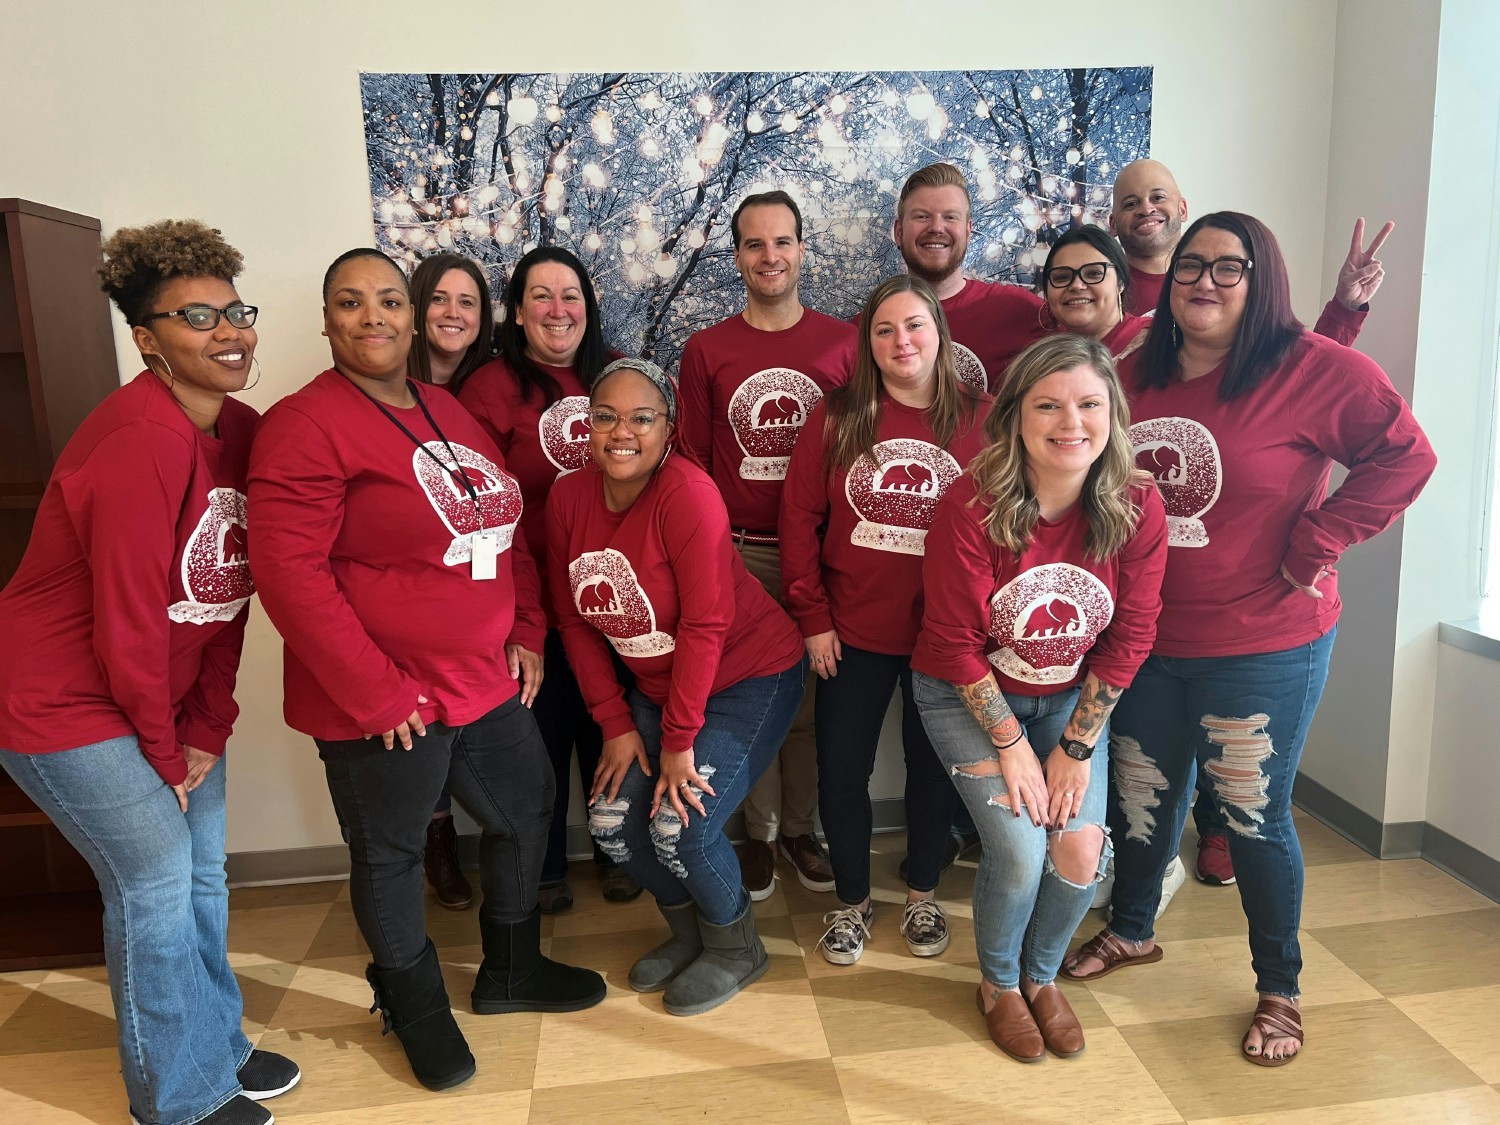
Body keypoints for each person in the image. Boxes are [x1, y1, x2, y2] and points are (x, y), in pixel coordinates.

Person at [1061, 213, 1436, 1068]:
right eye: (1191, 265)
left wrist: (1322, 538)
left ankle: (1281, 985)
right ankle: (1131, 929)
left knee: (1253, 817)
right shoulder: (1127, 367)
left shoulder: (1316, 370)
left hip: (1263, 639)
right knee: (1142, 794)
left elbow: (1406, 456)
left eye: (1228, 268)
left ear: (1261, 278)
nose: (1204, 281)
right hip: (1148, 638)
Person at [247, 247, 604, 1092]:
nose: (372, 316)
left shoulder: (447, 407)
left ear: (409, 318)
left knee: (527, 808)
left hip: (479, 675)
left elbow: (503, 522)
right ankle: (413, 1006)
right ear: (327, 320)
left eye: (386, 301)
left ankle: (511, 972)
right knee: (391, 853)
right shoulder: (304, 423)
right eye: (349, 302)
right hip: (386, 696)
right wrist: (373, 689)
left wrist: (525, 625)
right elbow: (289, 574)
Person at [0, 220, 297, 1125]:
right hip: (60, 700)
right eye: (196, 316)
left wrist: (207, 725)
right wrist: (168, 752)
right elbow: (130, 621)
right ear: (146, 339)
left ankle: (218, 1043)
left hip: (156, 700)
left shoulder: (240, 431)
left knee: (204, 874)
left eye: (234, 310)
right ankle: (178, 1096)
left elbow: (225, 593)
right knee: (156, 884)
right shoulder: (140, 440)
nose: (229, 331)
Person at [912, 332, 1167, 1062]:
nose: (1071, 422)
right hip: (963, 693)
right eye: (1048, 405)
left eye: (1090, 404)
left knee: (1082, 848)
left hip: (1067, 698)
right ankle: (997, 983)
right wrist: (1014, 746)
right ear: (1015, 415)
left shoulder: (1137, 507)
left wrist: (1077, 747)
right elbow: (956, 644)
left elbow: (1133, 634)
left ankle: (1041, 974)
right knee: (1023, 853)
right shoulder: (970, 502)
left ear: (1113, 414)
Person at [548, 357, 808, 1016]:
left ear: (669, 428)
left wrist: (678, 740)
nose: (621, 432)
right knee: (611, 822)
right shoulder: (567, 497)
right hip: (657, 687)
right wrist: (613, 721)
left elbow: (706, 623)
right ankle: (692, 934)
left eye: (642, 417)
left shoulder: (687, 493)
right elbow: (573, 620)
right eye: (605, 415)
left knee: (678, 825)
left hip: (751, 673)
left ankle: (737, 946)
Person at [780, 275, 989, 966]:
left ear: (939, 333)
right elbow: (799, 520)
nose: (902, 341)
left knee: (934, 771)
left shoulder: (981, 419)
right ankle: (852, 900)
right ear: (867, 342)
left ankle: (922, 891)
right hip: (852, 634)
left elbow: (1010, 523)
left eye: (916, 325)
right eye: (885, 329)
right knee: (843, 770)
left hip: (944, 640)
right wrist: (812, 616)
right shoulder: (838, 416)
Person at [678, 190, 852, 901]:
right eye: (754, 244)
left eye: (782, 242)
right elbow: (690, 461)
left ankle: (801, 828)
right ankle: (755, 832)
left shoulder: (843, 344)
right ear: (737, 256)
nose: (769, 256)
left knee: (811, 703)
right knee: (747, 698)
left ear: (802, 249)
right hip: (741, 553)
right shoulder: (707, 350)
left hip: (819, 551)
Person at [457, 246, 642, 911]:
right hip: (528, 599)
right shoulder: (488, 389)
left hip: (613, 593)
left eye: (571, 296)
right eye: (541, 295)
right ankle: (547, 865)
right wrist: (515, 618)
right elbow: (476, 508)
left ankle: (620, 849)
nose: (558, 310)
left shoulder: (618, 378)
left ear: (588, 309)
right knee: (542, 732)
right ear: (517, 310)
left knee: (609, 725)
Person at [407, 250, 498, 911]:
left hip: (482, 580)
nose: (453, 313)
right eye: (440, 298)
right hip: (416, 587)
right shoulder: (385, 385)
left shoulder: (487, 389)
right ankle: (436, 840)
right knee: (423, 712)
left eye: (467, 302)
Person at [1110, 158, 1388, 351]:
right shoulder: (1097, 288)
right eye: (1131, 203)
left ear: (1182, 209)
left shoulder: (1239, 279)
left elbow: (1297, 366)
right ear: (1112, 224)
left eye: (1158, 197)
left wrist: (1345, 307)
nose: (1146, 209)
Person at [893, 161, 1049, 393]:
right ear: (898, 232)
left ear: (968, 231)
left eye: (950, 217)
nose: (936, 227)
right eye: (922, 216)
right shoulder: (869, 330)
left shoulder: (1022, 312)